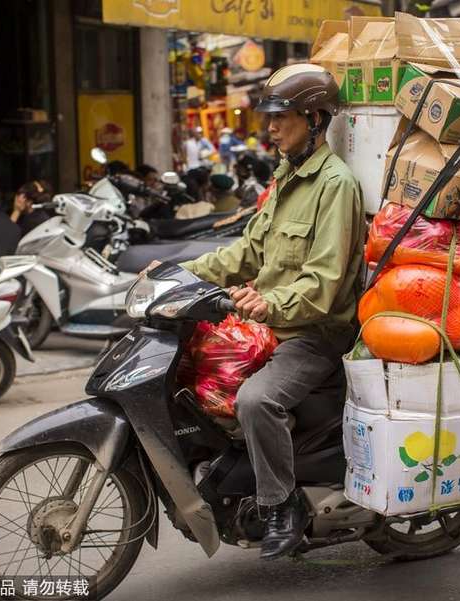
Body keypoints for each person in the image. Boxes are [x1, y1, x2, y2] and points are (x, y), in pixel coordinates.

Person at [146, 64, 366, 560]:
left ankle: (281, 504)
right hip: (264, 326)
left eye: (280, 117)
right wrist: (181, 273)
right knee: (191, 377)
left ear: (313, 118)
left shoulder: (335, 185)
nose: (269, 128)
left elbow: (325, 283)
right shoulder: (287, 175)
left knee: (254, 401)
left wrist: (271, 302)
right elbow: (246, 253)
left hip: (312, 333)